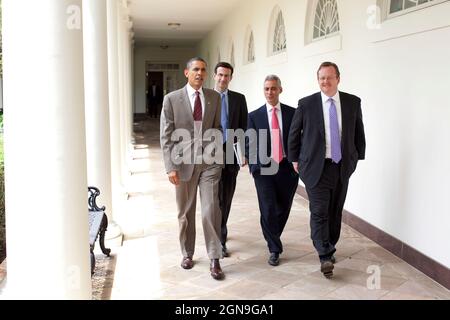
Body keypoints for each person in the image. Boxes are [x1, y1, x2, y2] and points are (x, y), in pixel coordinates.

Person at [287, 62, 366, 278]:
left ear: (338, 79)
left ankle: (330, 244)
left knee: (335, 210)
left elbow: (358, 131)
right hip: (315, 167)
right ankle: (324, 254)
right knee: (320, 211)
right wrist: (294, 159)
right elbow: (294, 133)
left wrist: (355, 158)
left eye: (330, 77)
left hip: (341, 167)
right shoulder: (306, 104)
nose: (325, 81)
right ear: (318, 79)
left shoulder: (352, 102)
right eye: (322, 77)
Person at [160, 57, 225, 280]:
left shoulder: (214, 98)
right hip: (183, 163)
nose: (200, 73)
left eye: (203, 70)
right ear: (187, 73)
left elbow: (217, 127)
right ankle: (187, 253)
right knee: (185, 213)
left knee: (210, 209)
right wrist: (171, 166)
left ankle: (215, 257)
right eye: (195, 69)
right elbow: (166, 136)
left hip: (210, 163)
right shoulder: (171, 99)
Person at [246, 75, 299, 266]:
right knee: (267, 208)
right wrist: (254, 167)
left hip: (287, 168)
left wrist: (298, 161)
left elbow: (299, 140)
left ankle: (272, 234)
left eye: (273, 88)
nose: (270, 92)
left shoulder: (293, 113)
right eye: (267, 89)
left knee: (283, 207)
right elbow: (248, 142)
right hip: (264, 169)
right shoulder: (254, 116)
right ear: (263, 91)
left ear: (280, 90)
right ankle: (274, 248)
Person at [213, 62, 248, 257]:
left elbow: (243, 128)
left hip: (230, 155)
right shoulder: (206, 97)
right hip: (210, 155)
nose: (223, 79)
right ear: (215, 75)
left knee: (226, 197)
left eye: (226, 75)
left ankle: (221, 232)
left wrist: (243, 153)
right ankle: (219, 237)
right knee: (214, 198)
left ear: (231, 78)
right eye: (220, 75)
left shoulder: (239, 99)